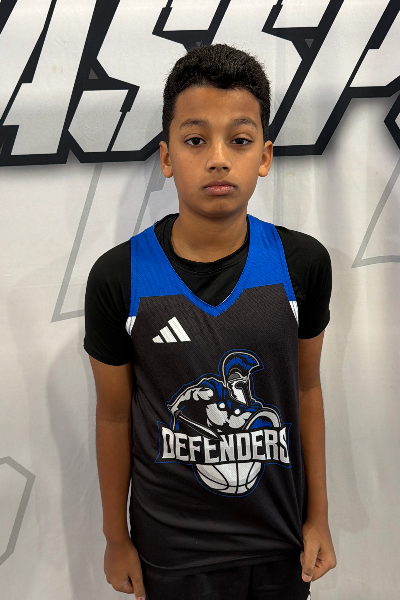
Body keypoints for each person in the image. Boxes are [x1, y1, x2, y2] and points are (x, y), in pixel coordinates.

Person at [84, 43, 336, 600]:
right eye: (196, 140)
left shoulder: (301, 264)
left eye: (239, 140)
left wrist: (318, 516)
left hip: (278, 542)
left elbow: (306, 389)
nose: (218, 158)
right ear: (167, 157)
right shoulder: (119, 277)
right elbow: (113, 416)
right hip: (172, 552)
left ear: (264, 156)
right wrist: (115, 537)